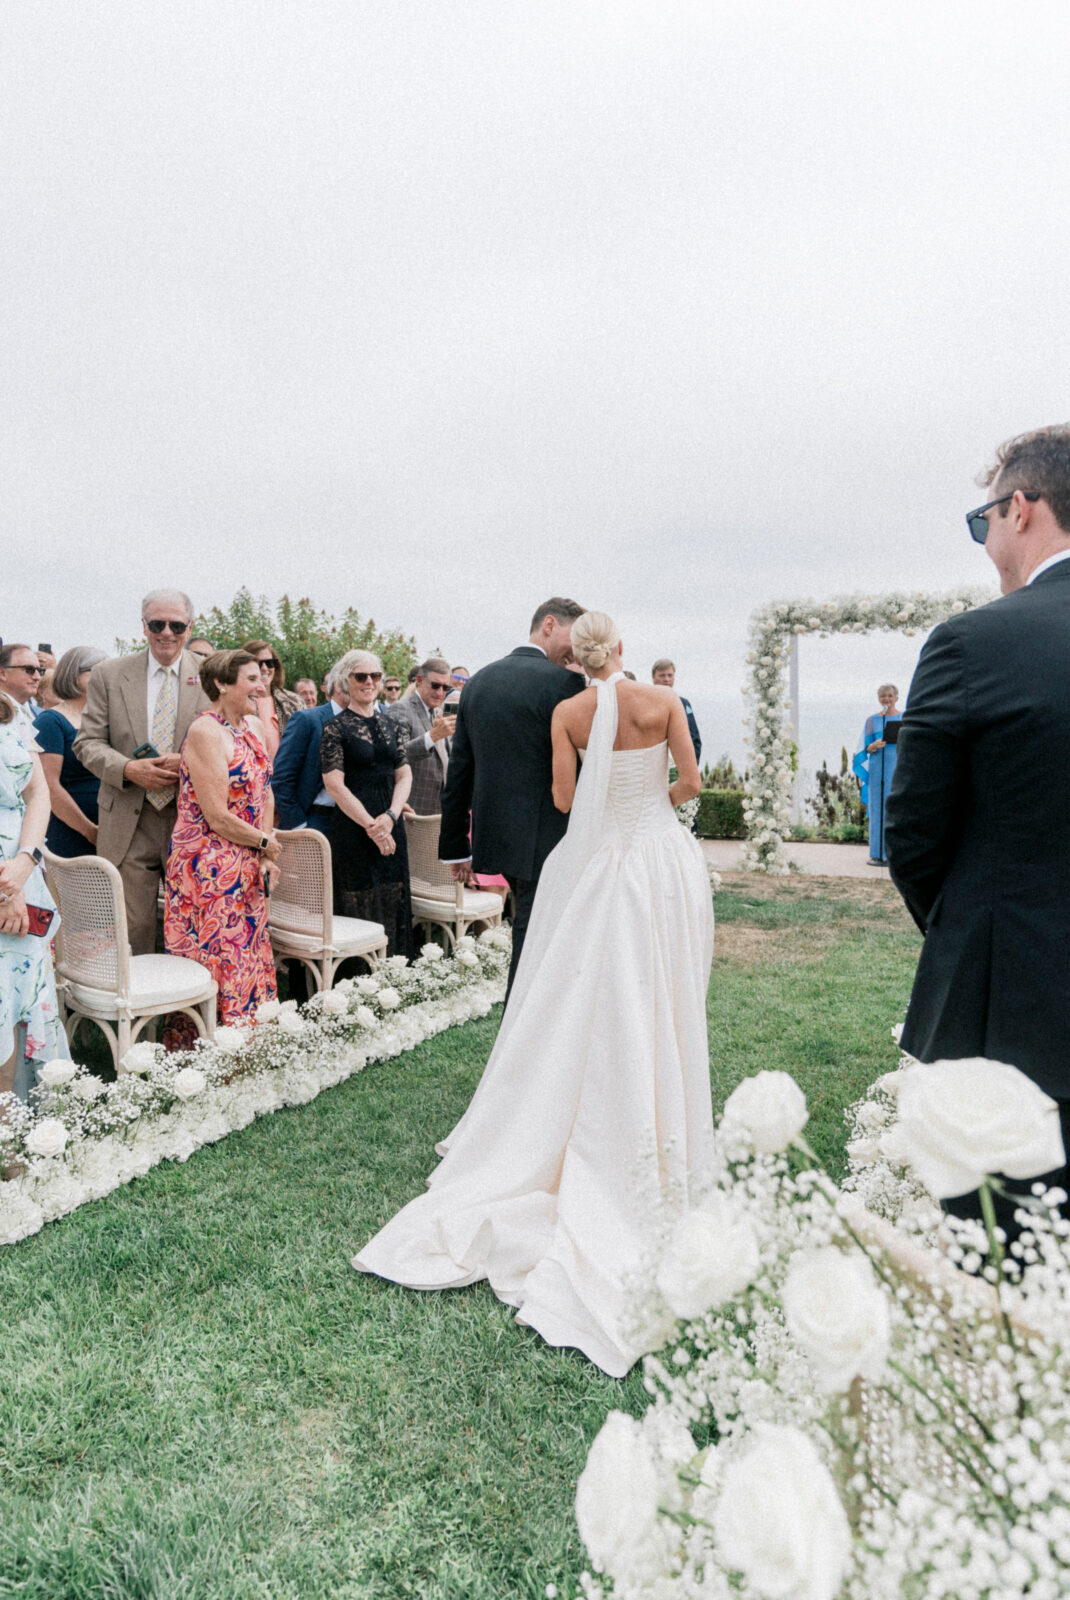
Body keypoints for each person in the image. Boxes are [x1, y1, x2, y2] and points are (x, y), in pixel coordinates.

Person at [355, 612, 713, 1377]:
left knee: (579, 992)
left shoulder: (568, 711)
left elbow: (561, 793)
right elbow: (690, 783)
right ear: (620, 651)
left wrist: (604, 805)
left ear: (574, 658)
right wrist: (650, 805)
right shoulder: (662, 702)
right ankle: (650, 1114)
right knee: (656, 989)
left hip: (597, 865)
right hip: (658, 861)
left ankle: (569, 1107)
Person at [887, 424, 1070, 1236]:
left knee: (1006, 1272)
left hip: (1012, 1011)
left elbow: (915, 835)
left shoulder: (973, 643)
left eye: (981, 521)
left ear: (1022, 509)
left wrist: (974, 926)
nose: (985, 539)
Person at [439, 598, 587, 995]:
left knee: (529, 930)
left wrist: (457, 847)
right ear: (550, 625)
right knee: (535, 938)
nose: (577, 649)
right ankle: (519, 1029)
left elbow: (460, 771)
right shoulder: (567, 684)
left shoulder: (479, 681)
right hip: (550, 838)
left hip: (495, 837)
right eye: (575, 635)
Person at [74, 590, 209, 955]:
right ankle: (141, 1012)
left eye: (176, 625)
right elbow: (86, 743)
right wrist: (129, 769)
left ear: (189, 626)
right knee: (133, 930)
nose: (167, 632)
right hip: (129, 818)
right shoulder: (109, 674)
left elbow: (231, 741)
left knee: (194, 925)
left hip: (193, 818)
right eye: (157, 624)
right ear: (143, 627)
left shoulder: (211, 675)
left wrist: (192, 764)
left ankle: (187, 1010)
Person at [163, 650, 280, 1040]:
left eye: (261, 677)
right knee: (218, 959)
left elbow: (265, 791)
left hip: (246, 860)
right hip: (207, 867)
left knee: (249, 954)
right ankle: (208, 1054)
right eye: (251, 679)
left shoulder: (253, 726)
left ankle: (251, 1046)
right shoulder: (204, 731)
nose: (261, 685)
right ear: (221, 685)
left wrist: (264, 853)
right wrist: (264, 841)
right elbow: (216, 815)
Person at [320, 650, 414, 958]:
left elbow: (404, 776)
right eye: (361, 676)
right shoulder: (335, 727)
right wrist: (372, 826)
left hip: (391, 823)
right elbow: (334, 784)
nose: (369, 682)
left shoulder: (392, 725)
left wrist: (390, 815)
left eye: (375, 675)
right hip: (353, 828)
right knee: (357, 900)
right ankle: (358, 982)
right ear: (346, 681)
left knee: (394, 895)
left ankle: (395, 971)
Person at [0, 695, 69, 1102]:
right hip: (9, 888)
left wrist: (26, 861)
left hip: (22, 873)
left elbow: (38, 794)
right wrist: (6, 891)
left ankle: (7, 1138)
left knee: (14, 1002)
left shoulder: (10, 710)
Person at [35, 646, 107, 857]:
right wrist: (89, 830)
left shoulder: (104, 720)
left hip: (110, 830)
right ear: (73, 675)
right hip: (72, 832)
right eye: (97, 671)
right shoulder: (51, 721)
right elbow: (50, 785)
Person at [271, 661, 348, 833]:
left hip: (356, 823)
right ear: (337, 684)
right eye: (357, 678)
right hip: (316, 820)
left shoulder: (367, 723)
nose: (365, 684)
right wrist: (299, 825)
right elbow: (281, 777)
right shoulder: (307, 719)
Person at [384, 657, 455, 815]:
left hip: (439, 809)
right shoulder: (400, 709)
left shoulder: (438, 712)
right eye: (435, 685)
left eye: (445, 687)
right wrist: (432, 736)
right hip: (411, 809)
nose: (440, 692)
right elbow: (396, 755)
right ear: (420, 680)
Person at [852, 684, 901, 865]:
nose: (886, 699)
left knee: (893, 810)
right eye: (883, 696)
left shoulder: (903, 718)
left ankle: (892, 853)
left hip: (895, 769)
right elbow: (863, 747)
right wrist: (871, 747)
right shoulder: (872, 721)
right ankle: (876, 853)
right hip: (876, 768)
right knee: (877, 809)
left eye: (889, 696)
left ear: (896, 697)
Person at [241, 640, 302, 762]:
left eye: (269, 663)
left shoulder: (294, 702)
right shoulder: (237, 703)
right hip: (252, 776)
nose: (264, 668)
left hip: (288, 777)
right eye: (258, 663)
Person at [652, 658, 702, 763]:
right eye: (662, 675)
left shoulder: (683, 704)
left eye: (670, 675)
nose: (667, 679)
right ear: (653, 678)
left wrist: (691, 767)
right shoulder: (646, 703)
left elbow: (694, 738)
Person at [0, 644, 44, 736]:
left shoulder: (41, 715)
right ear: (2, 673)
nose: (37, 677)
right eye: (29, 669)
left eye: (40, 671)